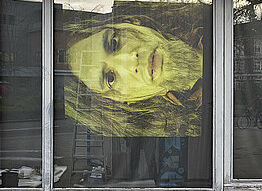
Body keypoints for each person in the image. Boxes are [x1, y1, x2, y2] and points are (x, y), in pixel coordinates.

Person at [59, 14, 204, 137]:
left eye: (114, 43)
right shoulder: (202, 125)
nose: (129, 59)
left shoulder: (211, 19)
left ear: (131, 24)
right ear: (125, 100)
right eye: (111, 78)